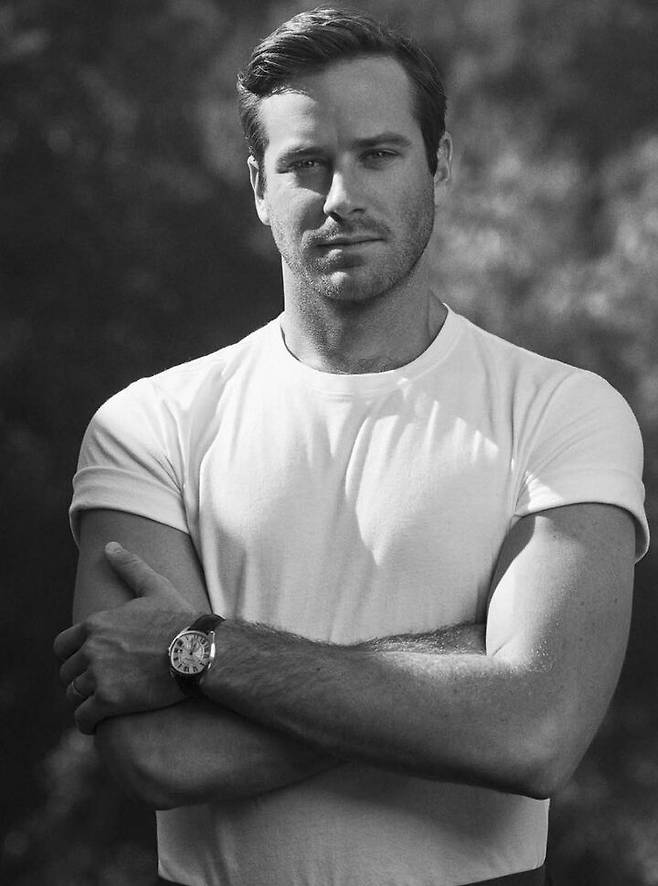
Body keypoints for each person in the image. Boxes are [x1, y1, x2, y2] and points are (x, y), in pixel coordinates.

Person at [54, 7, 648, 886]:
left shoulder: (562, 412)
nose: (340, 196)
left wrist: (203, 653)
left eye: (378, 154)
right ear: (258, 186)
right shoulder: (147, 424)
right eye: (306, 163)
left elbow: (535, 733)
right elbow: (164, 756)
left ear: (439, 164)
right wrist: (472, 669)